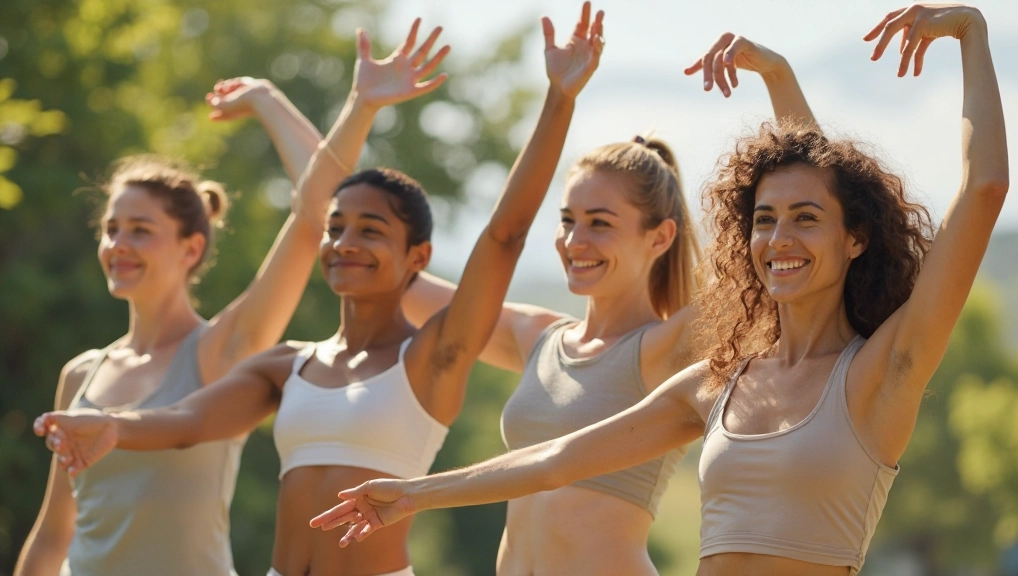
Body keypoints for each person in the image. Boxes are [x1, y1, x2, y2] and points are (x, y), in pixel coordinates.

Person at [308, 5, 1009, 576]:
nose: (779, 238)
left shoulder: (882, 371)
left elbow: (983, 189)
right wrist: (411, 496)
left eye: (805, 220)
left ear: (854, 237)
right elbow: (556, 460)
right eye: (763, 220)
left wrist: (972, 32)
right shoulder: (716, 384)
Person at [35, 7, 605, 575]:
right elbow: (185, 423)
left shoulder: (434, 354)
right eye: (335, 229)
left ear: (418, 258)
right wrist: (114, 426)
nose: (344, 243)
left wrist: (560, 98)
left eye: (371, 230)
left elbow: (504, 236)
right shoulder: (286, 366)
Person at [381, 29, 816, 576]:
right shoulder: (536, 337)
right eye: (568, 222)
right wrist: (358, 110)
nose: (575, 242)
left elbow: (794, 236)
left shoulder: (667, 349)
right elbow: (384, 275)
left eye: (600, 224)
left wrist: (778, 77)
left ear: (659, 237)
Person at [13, 16, 395, 575]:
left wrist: (290, 102)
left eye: (140, 230)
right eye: (111, 228)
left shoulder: (221, 351)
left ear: (191, 248)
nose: (118, 244)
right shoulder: (82, 375)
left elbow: (318, 215)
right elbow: (53, 537)